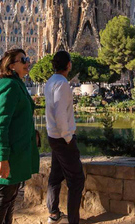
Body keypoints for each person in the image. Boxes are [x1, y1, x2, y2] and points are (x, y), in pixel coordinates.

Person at [0, 49, 40, 224]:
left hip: (15, 154)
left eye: (28, 59)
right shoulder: (9, 85)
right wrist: (2, 157)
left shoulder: (16, 84)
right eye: (23, 59)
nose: (28, 62)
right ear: (11, 65)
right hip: (10, 155)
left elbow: (18, 117)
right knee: (3, 198)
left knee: (9, 198)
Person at [45, 51, 85, 224]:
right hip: (62, 139)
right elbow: (60, 113)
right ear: (68, 65)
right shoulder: (62, 84)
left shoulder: (50, 82)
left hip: (53, 137)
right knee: (76, 180)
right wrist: (68, 138)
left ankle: (53, 213)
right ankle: (73, 221)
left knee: (55, 176)